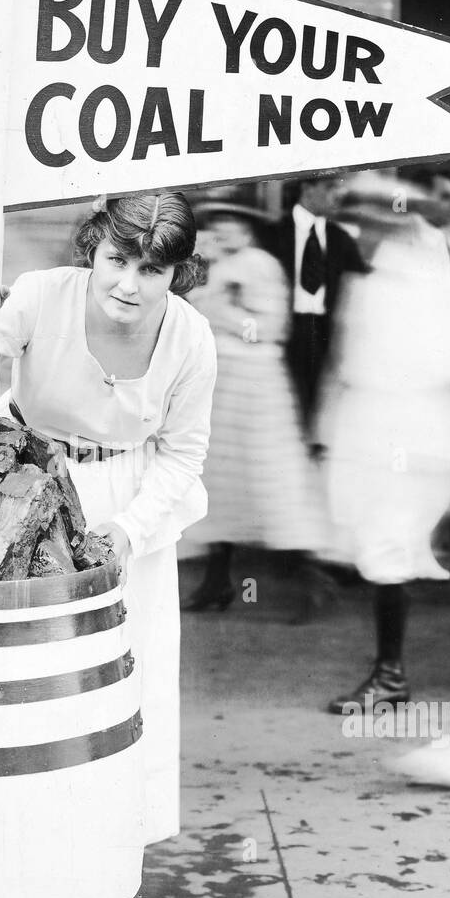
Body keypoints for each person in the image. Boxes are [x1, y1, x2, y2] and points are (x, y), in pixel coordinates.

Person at [0, 191, 217, 845]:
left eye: (153, 272)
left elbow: (184, 450)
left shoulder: (190, 336)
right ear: (94, 247)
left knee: (132, 662)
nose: (128, 285)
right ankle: (13, 823)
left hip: (132, 500)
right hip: (28, 487)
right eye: (117, 260)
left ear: (178, 273)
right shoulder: (41, 294)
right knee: (20, 660)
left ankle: (111, 830)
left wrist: (130, 530)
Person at [318, 175, 450, 713]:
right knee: (388, 551)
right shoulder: (377, 281)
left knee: (389, 550)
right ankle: (395, 672)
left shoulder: (415, 284)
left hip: (409, 439)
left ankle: (392, 677)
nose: (360, 232)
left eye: (368, 223)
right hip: (385, 437)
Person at [183, 201, 330, 613]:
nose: (224, 229)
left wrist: (219, 309)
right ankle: (217, 582)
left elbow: (268, 328)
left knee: (270, 481)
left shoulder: (259, 265)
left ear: (248, 228)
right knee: (222, 483)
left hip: (256, 386)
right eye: (217, 222)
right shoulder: (217, 263)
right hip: (225, 383)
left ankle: (310, 580)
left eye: (232, 221)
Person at [260, 174, 368, 437]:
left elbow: (360, 287)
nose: (337, 195)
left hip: (324, 335)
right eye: (330, 187)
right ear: (307, 188)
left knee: (320, 413)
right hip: (287, 331)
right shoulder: (271, 233)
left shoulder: (341, 240)